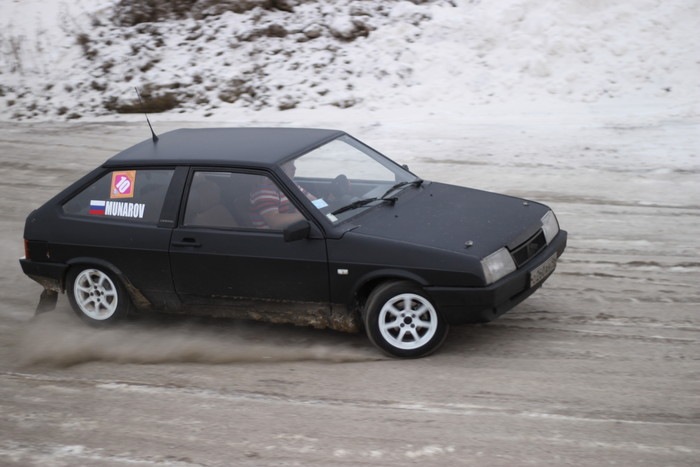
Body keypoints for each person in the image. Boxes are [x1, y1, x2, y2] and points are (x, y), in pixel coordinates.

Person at [249, 160, 315, 229]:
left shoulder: (291, 185)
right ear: (280, 169)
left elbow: (315, 201)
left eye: (293, 164)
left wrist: (319, 207)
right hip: (274, 235)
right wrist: (305, 215)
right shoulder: (264, 191)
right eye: (290, 164)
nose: (294, 168)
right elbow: (275, 222)